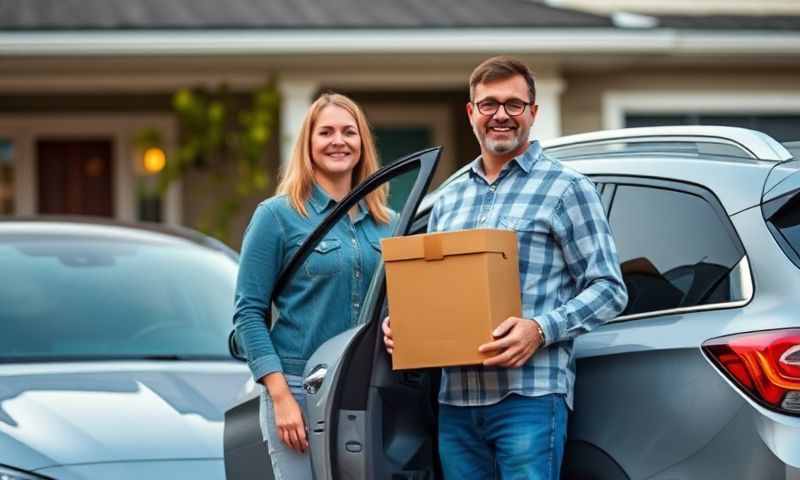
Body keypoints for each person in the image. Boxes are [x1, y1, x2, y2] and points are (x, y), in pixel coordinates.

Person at [383, 56, 628, 479]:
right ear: (471, 112)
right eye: (489, 104)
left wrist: (540, 329)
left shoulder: (566, 188)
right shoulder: (449, 197)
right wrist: (403, 325)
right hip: (456, 404)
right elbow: (435, 292)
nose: (501, 115)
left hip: (529, 398)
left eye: (514, 105)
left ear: (533, 112)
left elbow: (609, 288)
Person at [234, 93, 392, 479]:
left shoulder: (389, 223)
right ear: (308, 144)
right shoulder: (277, 216)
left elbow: (399, 306)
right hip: (299, 387)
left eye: (348, 132)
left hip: (367, 386)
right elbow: (248, 314)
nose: (338, 141)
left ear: (362, 144)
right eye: (326, 132)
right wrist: (281, 397)